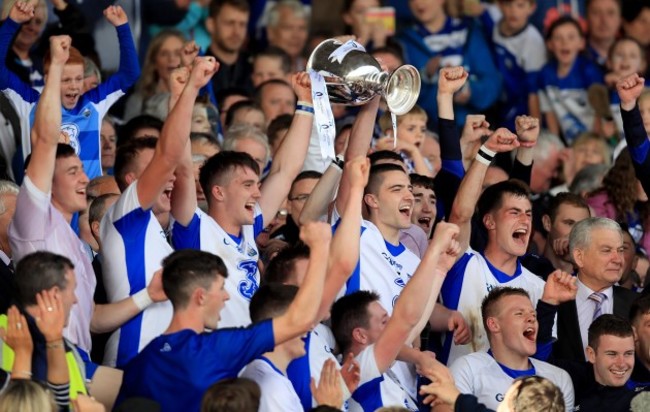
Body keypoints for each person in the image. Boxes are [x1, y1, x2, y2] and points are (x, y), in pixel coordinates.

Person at [7, 35, 161, 368]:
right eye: (73, 171)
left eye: (81, 170)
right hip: (49, 360)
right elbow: (45, 140)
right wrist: (57, 66)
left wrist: (150, 294)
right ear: (47, 179)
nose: (84, 179)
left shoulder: (79, 248)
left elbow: (92, 320)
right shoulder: (35, 220)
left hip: (81, 361)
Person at [116, 221, 331, 412]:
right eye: (221, 288)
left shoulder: (142, 361)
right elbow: (300, 320)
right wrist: (320, 247)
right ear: (200, 297)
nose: (226, 296)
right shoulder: (215, 348)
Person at [100, 57, 218, 368]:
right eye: (154, 170)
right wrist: (191, 89)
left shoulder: (166, 230)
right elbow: (168, 156)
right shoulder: (123, 215)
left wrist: (179, 97)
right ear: (130, 182)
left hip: (173, 355)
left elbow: (178, 161)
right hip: (135, 351)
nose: (171, 178)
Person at [171, 72, 314, 329]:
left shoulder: (250, 227)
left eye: (257, 185)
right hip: (215, 351)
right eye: (247, 186)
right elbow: (181, 166)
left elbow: (285, 171)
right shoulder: (194, 228)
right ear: (218, 192)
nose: (257, 194)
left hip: (250, 350)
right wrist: (183, 95)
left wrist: (305, 102)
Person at [0, 2, 139, 180]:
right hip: (45, 199)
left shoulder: (93, 102)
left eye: (79, 79)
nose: (74, 86)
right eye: (65, 80)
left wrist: (122, 28)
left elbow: (130, 74)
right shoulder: (30, 103)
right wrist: (12, 22)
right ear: (48, 78)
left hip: (88, 202)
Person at [331, 222, 461, 411]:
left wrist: (440, 270)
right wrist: (435, 248)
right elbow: (406, 319)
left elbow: (411, 327)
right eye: (385, 321)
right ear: (360, 335)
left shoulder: (387, 374)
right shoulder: (358, 369)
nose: (393, 325)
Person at [444, 287, 575, 411]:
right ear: (494, 325)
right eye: (519, 314)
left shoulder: (559, 378)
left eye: (534, 315)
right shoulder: (467, 369)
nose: (531, 319)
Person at [553, 217, 639, 361]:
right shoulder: (554, 303)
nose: (618, 260)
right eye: (607, 250)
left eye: (620, 250)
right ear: (579, 257)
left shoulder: (636, 306)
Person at [522, 192, 591, 278]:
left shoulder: (593, 277)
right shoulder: (525, 266)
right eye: (569, 223)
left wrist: (577, 264)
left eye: (582, 226)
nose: (576, 233)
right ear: (547, 223)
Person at [205, 0, 253, 94]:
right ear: (211, 25)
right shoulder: (198, 71)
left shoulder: (255, 69)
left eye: (242, 24)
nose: (237, 32)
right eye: (230, 23)